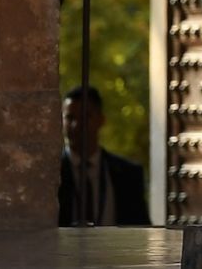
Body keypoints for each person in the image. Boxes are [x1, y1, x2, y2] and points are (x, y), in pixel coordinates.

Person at [58, 85, 152, 226]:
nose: (76, 125)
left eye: (85, 117)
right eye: (69, 117)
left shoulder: (128, 175)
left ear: (101, 120)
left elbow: (141, 229)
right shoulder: (49, 174)